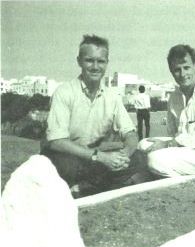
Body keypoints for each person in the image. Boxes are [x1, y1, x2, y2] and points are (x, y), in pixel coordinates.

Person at [41, 34, 146, 197]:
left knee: (139, 157)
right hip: (70, 156)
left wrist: (124, 155)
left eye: (101, 61)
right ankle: (95, 185)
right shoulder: (64, 92)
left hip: (94, 157)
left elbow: (130, 133)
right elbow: (56, 142)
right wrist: (101, 158)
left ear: (107, 63)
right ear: (79, 61)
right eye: (90, 60)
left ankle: (83, 187)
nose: (95, 67)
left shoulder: (112, 96)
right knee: (64, 165)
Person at [138, 44, 195, 178]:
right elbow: (173, 132)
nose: (183, 74)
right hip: (185, 148)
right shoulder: (174, 97)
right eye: (177, 70)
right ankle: (179, 171)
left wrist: (167, 144)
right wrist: (168, 144)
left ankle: (190, 180)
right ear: (172, 72)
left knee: (154, 159)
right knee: (143, 144)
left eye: (186, 68)